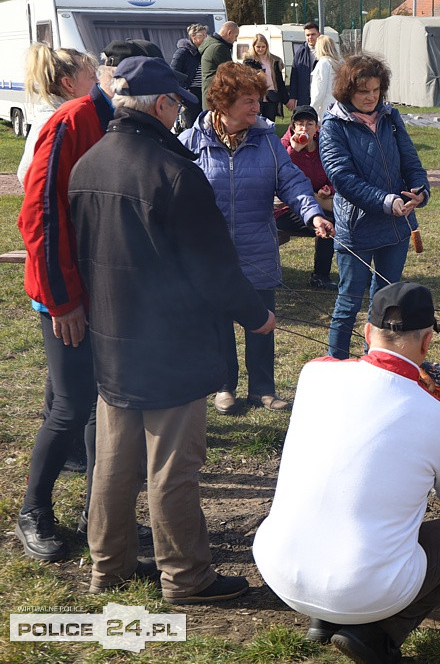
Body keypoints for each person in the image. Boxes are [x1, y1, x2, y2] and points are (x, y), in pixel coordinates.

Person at [68, 55, 274, 601]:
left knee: (113, 462)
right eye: (176, 103)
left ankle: (107, 566)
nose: (179, 110)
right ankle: (186, 576)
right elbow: (214, 268)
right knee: (172, 468)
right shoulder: (175, 173)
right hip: (171, 346)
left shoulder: (87, 164)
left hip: (111, 339)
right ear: (161, 105)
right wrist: (257, 316)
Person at [253, 282, 440, 661]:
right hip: (366, 591)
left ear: (367, 332)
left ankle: (324, 619)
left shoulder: (313, 373)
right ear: (427, 341)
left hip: (278, 570)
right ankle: (376, 635)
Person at [14, 40, 157, 562]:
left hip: (107, 295)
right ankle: (33, 510)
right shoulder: (72, 121)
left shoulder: (126, 123)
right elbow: (39, 217)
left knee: (106, 407)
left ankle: (101, 512)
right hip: (67, 297)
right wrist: (63, 301)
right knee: (71, 406)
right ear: (105, 74)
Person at [179, 63, 333, 413]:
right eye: (248, 100)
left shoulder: (267, 141)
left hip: (257, 248)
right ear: (224, 102)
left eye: (258, 99)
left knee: (261, 322)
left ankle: (263, 388)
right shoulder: (191, 142)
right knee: (219, 321)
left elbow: (292, 182)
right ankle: (224, 386)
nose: (257, 107)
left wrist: (313, 214)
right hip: (212, 256)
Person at [319, 54, 429, 359]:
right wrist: (386, 201)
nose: (371, 97)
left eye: (376, 90)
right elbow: (343, 179)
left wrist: (420, 191)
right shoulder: (333, 126)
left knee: (386, 303)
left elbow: (411, 162)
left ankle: (375, 363)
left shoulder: (391, 117)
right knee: (349, 303)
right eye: (363, 91)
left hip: (395, 228)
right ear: (347, 91)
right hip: (357, 229)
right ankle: (337, 365)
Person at [17, 44, 97, 187]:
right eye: (92, 77)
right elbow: (26, 173)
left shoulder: (69, 116)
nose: (98, 82)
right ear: (68, 84)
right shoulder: (55, 121)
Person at [278, 105, 337, 289]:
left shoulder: (325, 146)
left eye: (309, 124)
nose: (304, 128)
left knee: (337, 220)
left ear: (317, 127)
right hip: (286, 207)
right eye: (300, 124)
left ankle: (323, 275)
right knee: (327, 221)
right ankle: (321, 276)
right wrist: (294, 150)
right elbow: (278, 177)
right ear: (293, 127)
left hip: (318, 202)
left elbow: (337, 175)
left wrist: (329, 189)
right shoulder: (283, 146)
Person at [243, 32, 287, 121]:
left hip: (271, 96)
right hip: (256, 96)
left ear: (267, 47)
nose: (261, 49)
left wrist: (285, 98)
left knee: (269, 123)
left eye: (263, 47)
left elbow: (279, 81)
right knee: (254, 121)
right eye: (258, 47)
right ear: (253, 46)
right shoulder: (249, 61)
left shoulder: (274, 60)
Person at [170, 23, 208, 128]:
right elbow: (173, 72)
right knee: (192, 123)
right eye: (202, 35)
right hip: (190, 92)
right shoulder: (183, 52)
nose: (206, 38)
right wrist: (182, 91)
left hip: (203, 92)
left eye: (206, 35)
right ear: (193, 37)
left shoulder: (203, 52)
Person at [199, 21, 238, 110]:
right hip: (217, 97)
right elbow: (231, 72)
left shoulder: (211, 45)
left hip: (210, 95)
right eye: (236, 36)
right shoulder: (219, 48)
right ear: (229, 32)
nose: (236, 40)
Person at [310, 34, 343, 121]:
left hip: (326, 108)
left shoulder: (323, 63)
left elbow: (319, 91)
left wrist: (312, 110)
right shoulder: (340, 63)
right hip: (339, 107)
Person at [289, 22, 321, 108]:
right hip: (304, 98)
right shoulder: (300, 52)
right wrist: (292, 97)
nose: (310, 37)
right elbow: (294, 76)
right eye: (308, 35)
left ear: (319, 34)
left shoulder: (325, 52)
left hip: (320, 97)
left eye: (313, 34)